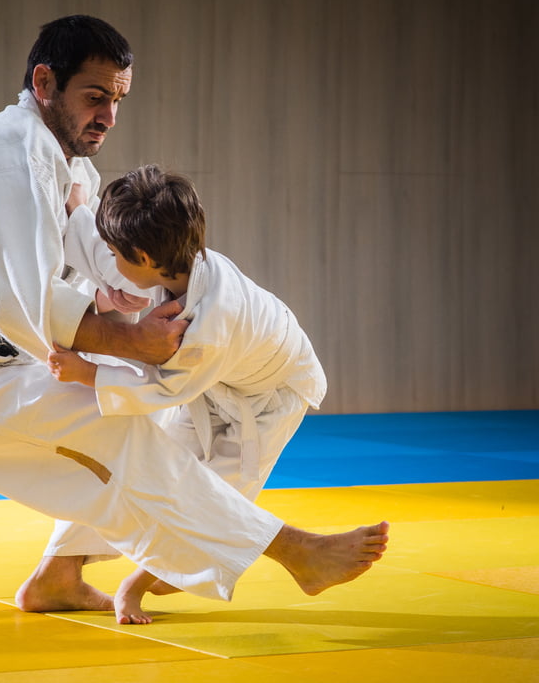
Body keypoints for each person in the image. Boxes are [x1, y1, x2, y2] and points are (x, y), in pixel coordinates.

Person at [0, 14, 388, 617]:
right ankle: (295, 552)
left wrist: (154, 293)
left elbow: (97, 249)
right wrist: (133, 342)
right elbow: (19, 305)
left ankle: (58, 580)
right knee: (126, 439)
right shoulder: (5, 158)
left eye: (117, 99)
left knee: (117, 451)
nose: (108, 116)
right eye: (94, 96)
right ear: (44, 82)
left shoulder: (57, 159)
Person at [43, 164, 353, 623]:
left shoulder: (209, 323)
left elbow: (164, 389)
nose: (109, 260)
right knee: (138, 460)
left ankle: (142, 581)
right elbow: (100, 249)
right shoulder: (175, 262)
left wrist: (87, 372)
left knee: (216, 494)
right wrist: (76, 211)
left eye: (116, 253)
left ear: (145, 257)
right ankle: (63, 573)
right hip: (213, 387)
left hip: (270, 397)